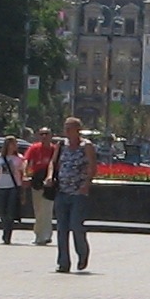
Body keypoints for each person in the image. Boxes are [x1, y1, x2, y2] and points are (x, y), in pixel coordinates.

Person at [52, 117, 97, 273]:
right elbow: (54, 164)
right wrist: (50, 177)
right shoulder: (61, 145)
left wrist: (86, 184)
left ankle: (82, 254)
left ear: (78, 130)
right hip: (61, 191)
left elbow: (92, 166)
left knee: (76, 225)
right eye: (65, 127)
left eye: (69, 128)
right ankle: (63, 263)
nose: (66, 131)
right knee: (61, 228)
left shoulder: (86, 146)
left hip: (78, 192)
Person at [23, 127, 59, 245]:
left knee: (47, 209)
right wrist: (25, 174)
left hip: (50, 181)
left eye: (46, 134)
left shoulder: (55, 149)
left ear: (51, 136)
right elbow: (26, 161)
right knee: (38, 209)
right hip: (37, 180)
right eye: (42, 134)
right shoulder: (34, 148)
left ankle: (45, 235)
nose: (44, 136)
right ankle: (39, 233)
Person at [0, 134, 26, 244]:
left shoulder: (19, 158)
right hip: (1, 186)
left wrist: (23, 191)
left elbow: (22, 174)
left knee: (11, 211)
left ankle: (7, 234)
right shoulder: (0, 157)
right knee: (2, 211)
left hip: (14, 186)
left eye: (15, 144)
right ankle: (5, 228)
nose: (14, 146)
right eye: (12, 143)